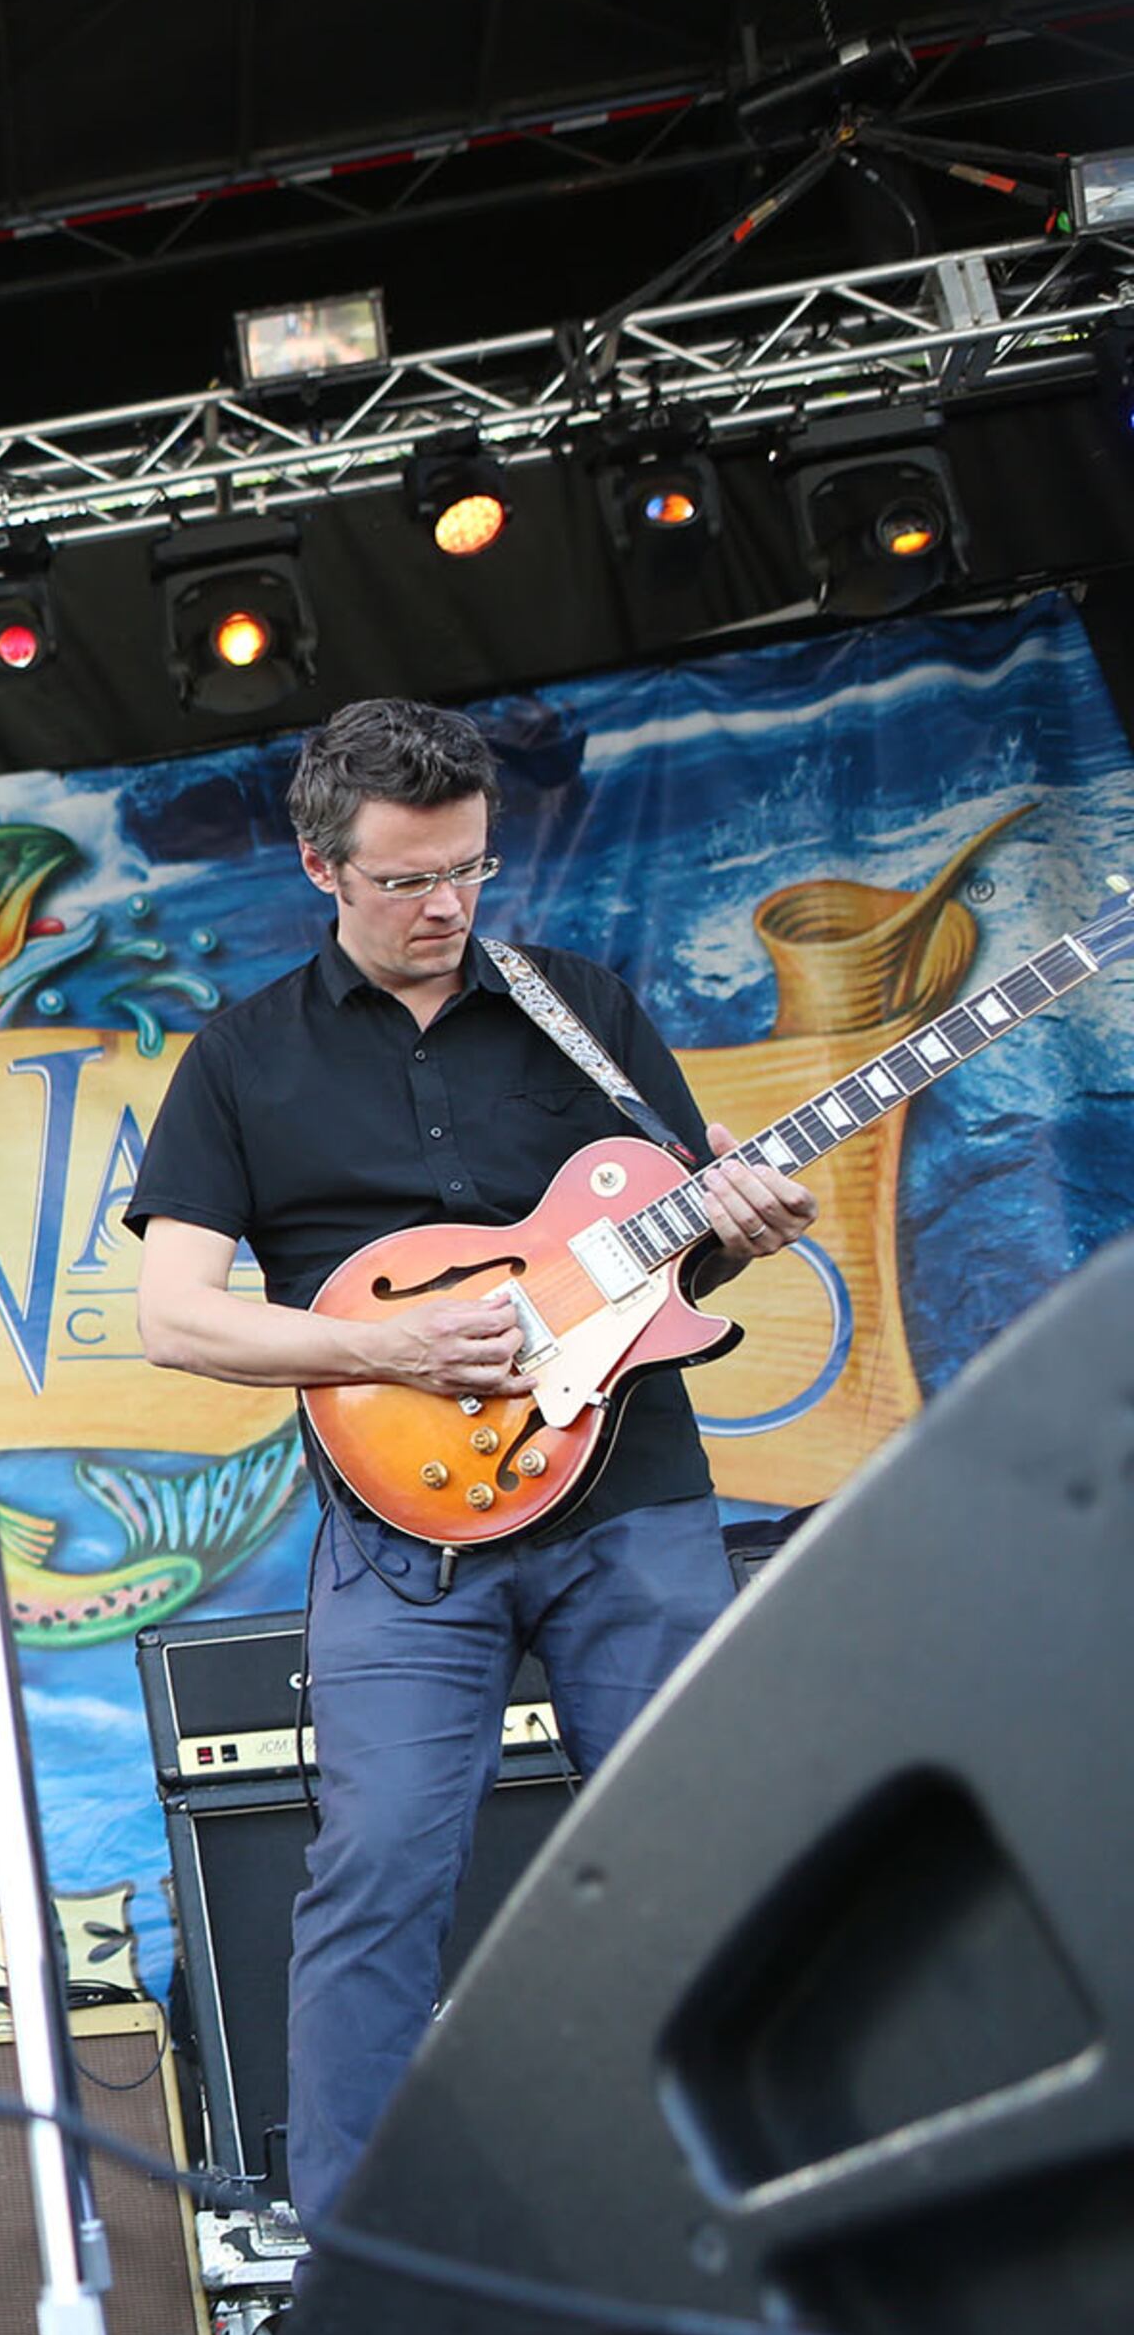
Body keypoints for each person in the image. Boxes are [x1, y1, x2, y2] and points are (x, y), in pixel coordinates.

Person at [126, 698, 817, 2227]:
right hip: (403, 1539)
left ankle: (753, 2199)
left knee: (699, 1834)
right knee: (376, 1866)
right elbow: (174, 1319)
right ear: (322, 867)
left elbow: (670, 1271)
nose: (445, 908)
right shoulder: (243, 1059)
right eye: (404, 881)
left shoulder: (587, 1006)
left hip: (629, 1495)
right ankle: (357, 2254)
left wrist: (744, 1229)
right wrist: (390, 1352)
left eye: (469, 872)